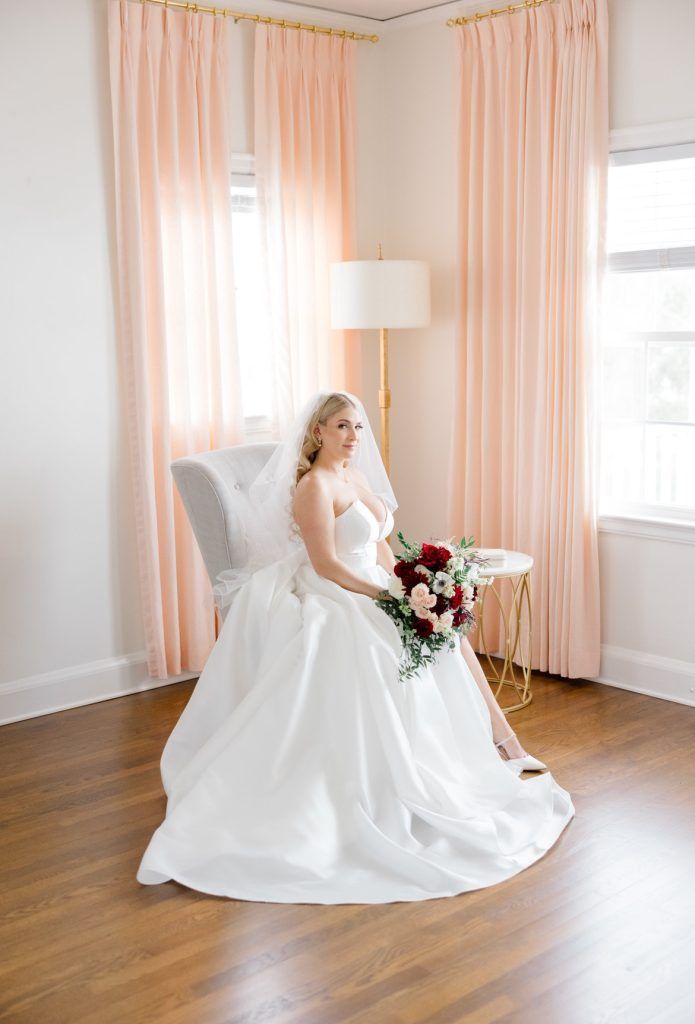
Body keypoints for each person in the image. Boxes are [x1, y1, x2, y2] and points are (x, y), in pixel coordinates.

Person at [137, 390, 573, 903]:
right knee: (383, 642)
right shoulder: (314, 487)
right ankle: (410, 773)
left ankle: (502, 744)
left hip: (373, 579)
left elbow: (381, 544)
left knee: (448, 633)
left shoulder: (357, 478)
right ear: (318, 432)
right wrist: (391, 599)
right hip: (336, 588)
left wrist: (416, 586)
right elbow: (327, 565)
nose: (352, 437)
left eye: (358, 428)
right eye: (341, 427)